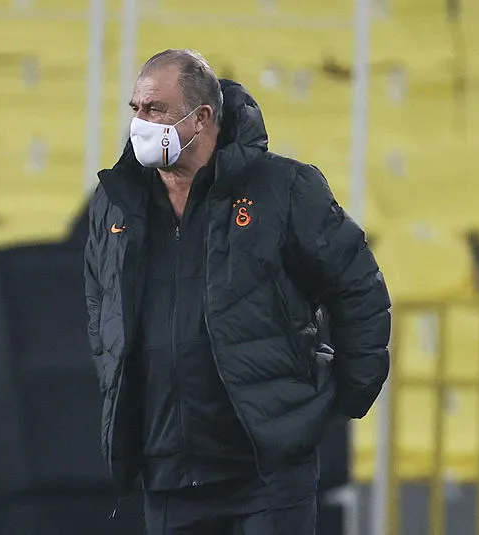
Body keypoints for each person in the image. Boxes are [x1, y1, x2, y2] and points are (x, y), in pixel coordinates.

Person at [83, 49, 391, 535]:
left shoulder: (283, 188)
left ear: (202, 117)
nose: (140, 122)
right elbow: (100, 304)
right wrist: (118, 387)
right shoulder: (116, 202)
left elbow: (358, 287)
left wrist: (341, 398)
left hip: (266, 471)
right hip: (168, 473)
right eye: (136, 108)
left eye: (155, 109)